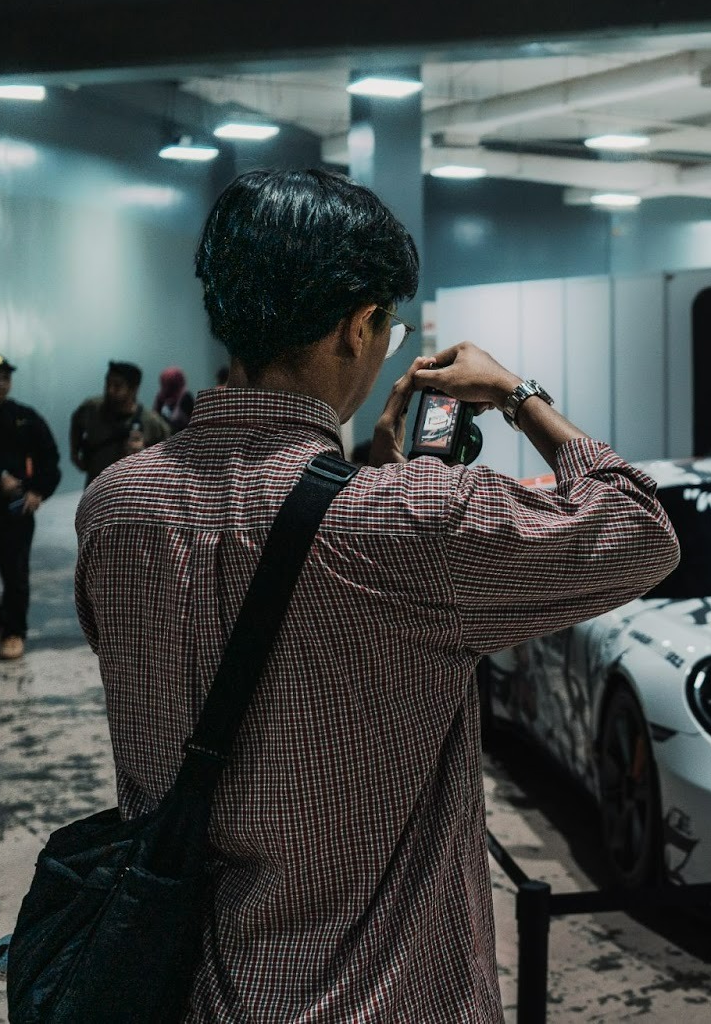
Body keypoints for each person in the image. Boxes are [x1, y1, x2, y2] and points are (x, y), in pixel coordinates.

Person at [75, 168, 679, 1021]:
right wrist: (517, 396)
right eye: (387, 331)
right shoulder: (410, 526)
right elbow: (640, 527)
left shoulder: (114, 507)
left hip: (182, 987)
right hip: (379, 999)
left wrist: (375, 482)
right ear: (357, 326)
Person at [0, 353, 61, 660]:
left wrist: (39, 491)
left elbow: (50, 458)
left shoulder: (25, 418)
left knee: (15, 573)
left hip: (15, 512)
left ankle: (13, 633)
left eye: (5, 378)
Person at [69, 360, 172, 483]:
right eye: (108, 384)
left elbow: (168, 459)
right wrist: (75, 453)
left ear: (133, 389)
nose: (110, 390)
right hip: (96, 487)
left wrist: (144, 455)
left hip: (131, 487)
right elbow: (76, 424)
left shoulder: (152, 423)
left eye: (117, 386)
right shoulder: (92, 408)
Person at [153, 365, 195, 432]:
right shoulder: (161, 398)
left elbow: (191, 423)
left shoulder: (186, 398)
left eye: (170, 384)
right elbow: (154, 419)